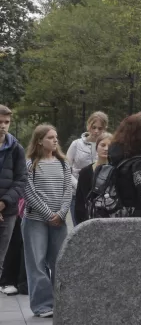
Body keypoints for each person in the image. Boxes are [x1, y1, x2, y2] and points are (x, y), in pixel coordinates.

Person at [22, 124, 71, 318]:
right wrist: (47, 214)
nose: (55, 140)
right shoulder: (30, 164)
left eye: (56, 137)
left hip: (59, 221)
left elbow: (68, 191)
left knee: (60, 262)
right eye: (50, 137)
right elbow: (29, 193)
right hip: (35, 221)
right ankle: (43, 305)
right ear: (40, 140)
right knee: (37, 263)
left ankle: (61, 302)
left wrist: (60, 213)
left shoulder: (63, 163)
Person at [0, 105, 26, 289]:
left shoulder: (16, 148)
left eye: (6, 122)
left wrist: (3, 202)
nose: (3, 126)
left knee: (1, 258)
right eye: (0, 122)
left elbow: (21, 180)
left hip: (7, 211)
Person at [65, 111, 108, 222]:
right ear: (88, 125)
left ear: (105, 128)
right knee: (79, 228)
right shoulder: (76, 144)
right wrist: (77, 184)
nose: (96, 131)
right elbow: (65, 168)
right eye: (93, 127)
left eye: (100, 128)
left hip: (101, 195)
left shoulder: (107, 145)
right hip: (77, 193)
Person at [72, 133, 112, 224]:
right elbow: (80, 202)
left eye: (110, 146)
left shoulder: (117, 171)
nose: (106, 148)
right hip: (89, 220)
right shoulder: (85, 172)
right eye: (103, 145)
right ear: (96, 147)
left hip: (111, 220)